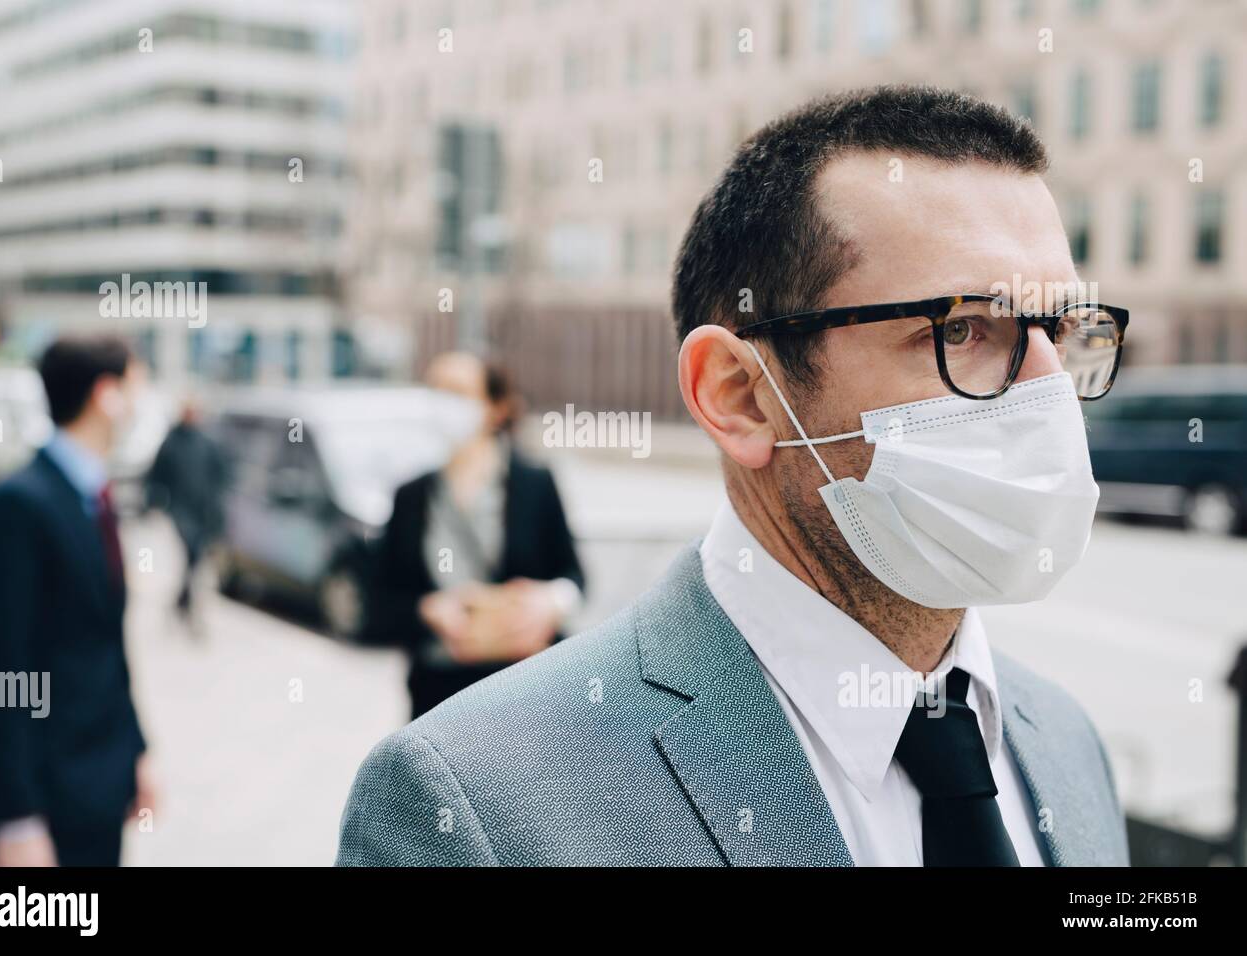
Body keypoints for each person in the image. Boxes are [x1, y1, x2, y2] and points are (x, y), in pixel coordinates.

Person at [337, 86, 1129, 867]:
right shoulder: (475, 805)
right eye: (962, 329)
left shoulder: (1066, 744)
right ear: (740, 395)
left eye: (1062, 329)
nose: (1049, 389)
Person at [0, 335, 155, 867]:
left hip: (99, 784)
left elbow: (106, 643)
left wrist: (136, 752)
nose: (139, 405)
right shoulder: (18, 508)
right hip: (46, 802)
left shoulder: (95, 497)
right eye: (135, 387)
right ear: (106, 394)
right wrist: (17, 817)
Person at [370, 352, 584, 718]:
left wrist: (549, 602)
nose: (443, 403)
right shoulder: (411, 496)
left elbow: (574, 575)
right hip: (437, 697)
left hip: (524, 689)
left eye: (457, 391)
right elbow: (378, 602)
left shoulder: (534, 483)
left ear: (495, 408)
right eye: (435, 389)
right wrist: (427, 610)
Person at [145, 396, 229, 631]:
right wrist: (153, 502)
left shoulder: (207, 443)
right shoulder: (172, 442)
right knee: (189, 551)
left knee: (195, 558)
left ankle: (183, 600)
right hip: (180, 509)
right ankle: (185, 602)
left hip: (202, 510)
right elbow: (156, 475)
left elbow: (220, 476)